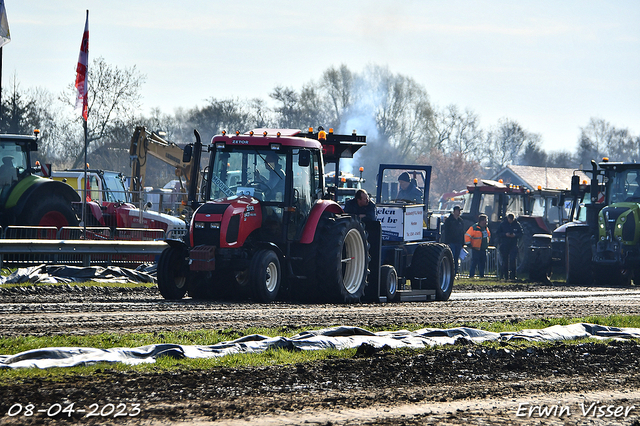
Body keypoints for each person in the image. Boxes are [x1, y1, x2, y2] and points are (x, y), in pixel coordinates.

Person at [496, 213, 523, 280]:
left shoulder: (517, 224)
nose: (510, 220)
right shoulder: (502, 224)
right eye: (509, 219)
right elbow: (498, 233)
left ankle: (513, 276)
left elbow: (521, 233)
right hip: (504, 245)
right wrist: (505, 234)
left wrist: (515, 235)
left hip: (513, 245)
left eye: (512, 219)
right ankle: (505, 276)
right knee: (505, 261)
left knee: (513, 260)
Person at [465, 214, 491, 278]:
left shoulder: (486, 228)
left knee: (482, 263)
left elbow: (488, 236)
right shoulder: (474, 227)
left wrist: (486, 244)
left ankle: (481, 275)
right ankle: (471, 275)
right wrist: (469, 244)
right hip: (476, 249)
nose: (486, 222)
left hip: (483, 249)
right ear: (481, 221)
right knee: (474, 263)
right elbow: (467, 235)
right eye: (485, 220)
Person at [443, 205, 465, 276]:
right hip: (451, 242)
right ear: (454, 211)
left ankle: (455, 273)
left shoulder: (461, 221)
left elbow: (462, 232)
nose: (459, 212)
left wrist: (462, 243)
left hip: (458, 243)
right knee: (451, 258)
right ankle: (450, 273)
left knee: (456, 258)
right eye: (458, 210)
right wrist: (447, 242)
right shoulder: (449, 221)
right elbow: (446, 232)